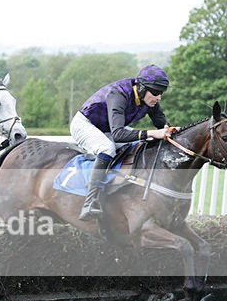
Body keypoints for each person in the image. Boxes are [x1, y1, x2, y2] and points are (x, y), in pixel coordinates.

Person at [70, 64, 173, 221]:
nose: (159, 97)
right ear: (141, 88)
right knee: (107, 148)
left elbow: (163, 126)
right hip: (85, 124)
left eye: (161, 93)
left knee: (137, 144)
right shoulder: (119, 94)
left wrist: (172, 132)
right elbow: (118, 134)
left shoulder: (149, 99)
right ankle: (90, 202)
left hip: (108, 128)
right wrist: (152, 133)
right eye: (156, 92)